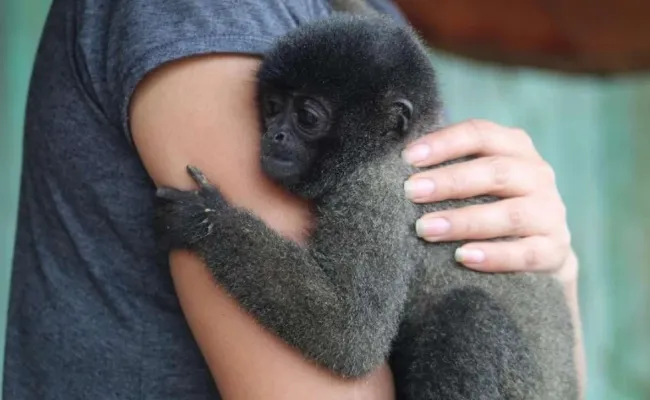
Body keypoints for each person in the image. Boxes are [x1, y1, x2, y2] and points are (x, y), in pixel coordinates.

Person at [2, 0, 584, 398]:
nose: (275, 134)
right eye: (273, 109)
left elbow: (346, 337)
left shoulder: (372, 43)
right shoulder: (213, 14)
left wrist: (561, 268)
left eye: (305, 118)